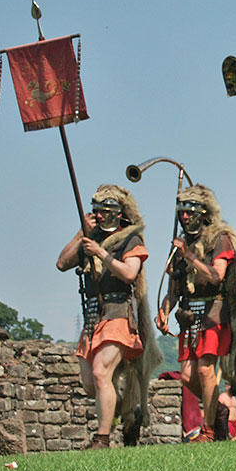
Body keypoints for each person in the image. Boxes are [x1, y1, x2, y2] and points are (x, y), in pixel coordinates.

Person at [57, 184, 160, 449]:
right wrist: (83, 231)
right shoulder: (90, 238)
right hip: (93, 315)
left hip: (117, 313)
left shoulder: (130, 240)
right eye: (97, 212)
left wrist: (102, 254)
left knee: (102, 372)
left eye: (105, 211)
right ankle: (126, 407)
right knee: (91, 384)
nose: (101, 216)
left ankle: (102, 439)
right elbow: (62, 263)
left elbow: (129, 273)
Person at [156, 184, 236, 443]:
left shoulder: (220, 238)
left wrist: (189, 256)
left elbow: (216, 276)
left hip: (214, 311)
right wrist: (164, 311)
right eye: (181, 212)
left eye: (189, 212)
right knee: (187, 375)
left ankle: (208, 430)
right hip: (189, 315)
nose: (184, 217)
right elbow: (174, 288)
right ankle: (219, 411)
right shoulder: (181, 245)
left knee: (206, 370)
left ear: (203, 213)